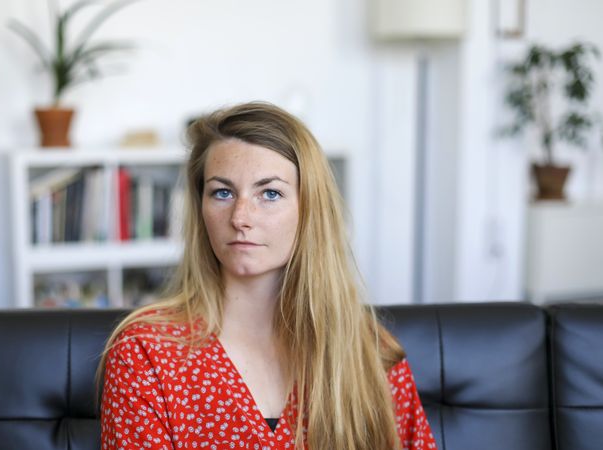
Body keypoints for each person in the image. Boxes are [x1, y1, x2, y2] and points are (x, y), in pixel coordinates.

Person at [99, 102, 437, 450]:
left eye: (270, 193)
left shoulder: (368, 350)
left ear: (309, 210)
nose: (241, 217)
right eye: (222, 192)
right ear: (200, 209)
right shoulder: (146, 354)